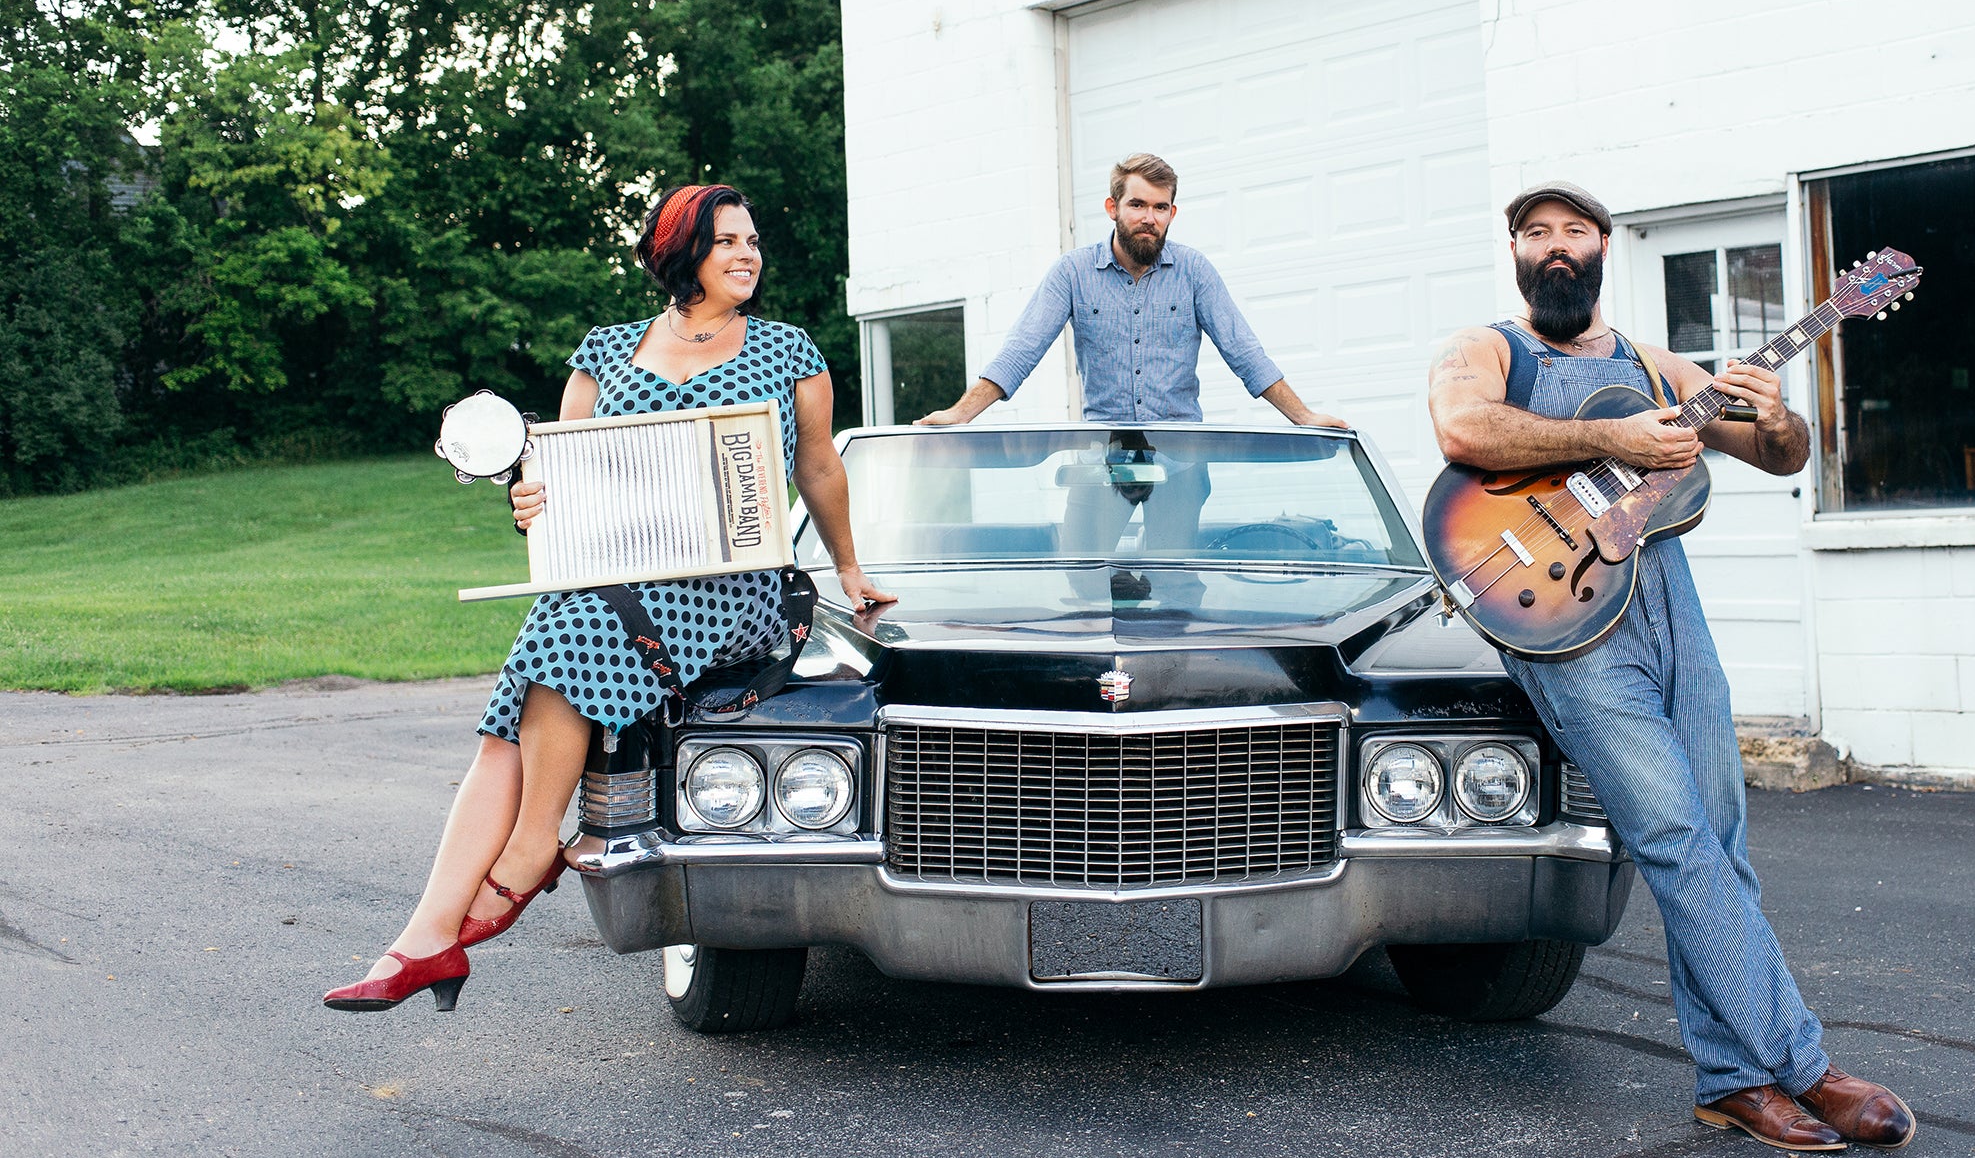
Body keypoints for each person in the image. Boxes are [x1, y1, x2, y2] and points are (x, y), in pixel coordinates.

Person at [1426, 181, 1914, 1154]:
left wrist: (1773, 414)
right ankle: (1807, 1069)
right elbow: (1463, 430)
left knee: (1721, 843)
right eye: (1535, 234)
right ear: (1516, 253)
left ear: (1601, 247)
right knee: (1673, 840)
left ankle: (1732, 1080)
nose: (1554, 247)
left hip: (1665, 601)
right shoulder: (1487, 348)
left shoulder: (1656, 364)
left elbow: (1779, 458)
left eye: (1572, 231)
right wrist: (1612, 436)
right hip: (1563, 621)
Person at [324, 185, 894, 1013]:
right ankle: (424, 938)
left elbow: (818, 467)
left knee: (567, 640)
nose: (748, 254)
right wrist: (526, 504)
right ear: (683, 250)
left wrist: (848, 567)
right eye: (729, 240)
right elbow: (560, 485)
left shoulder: (787, 349)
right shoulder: (604, 352)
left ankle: (524, 855)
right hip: (614, 579)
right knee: (512, 715)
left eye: (753, 241)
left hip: (729, 586)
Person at [918, 154, 1346, 568]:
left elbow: (1244, 351)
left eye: (1160, 207)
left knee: (1175, 586)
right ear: (1113, 208)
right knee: (1082, 575)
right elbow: (1021, 350)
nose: (1149, 217)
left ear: (1172, 213)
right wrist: (960, 415)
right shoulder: (1073, 273)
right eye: (1137, 204)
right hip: (1102, 461)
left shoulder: (1195, 271)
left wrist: (1302, 415)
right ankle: (1124, 587)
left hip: (1180, 463)